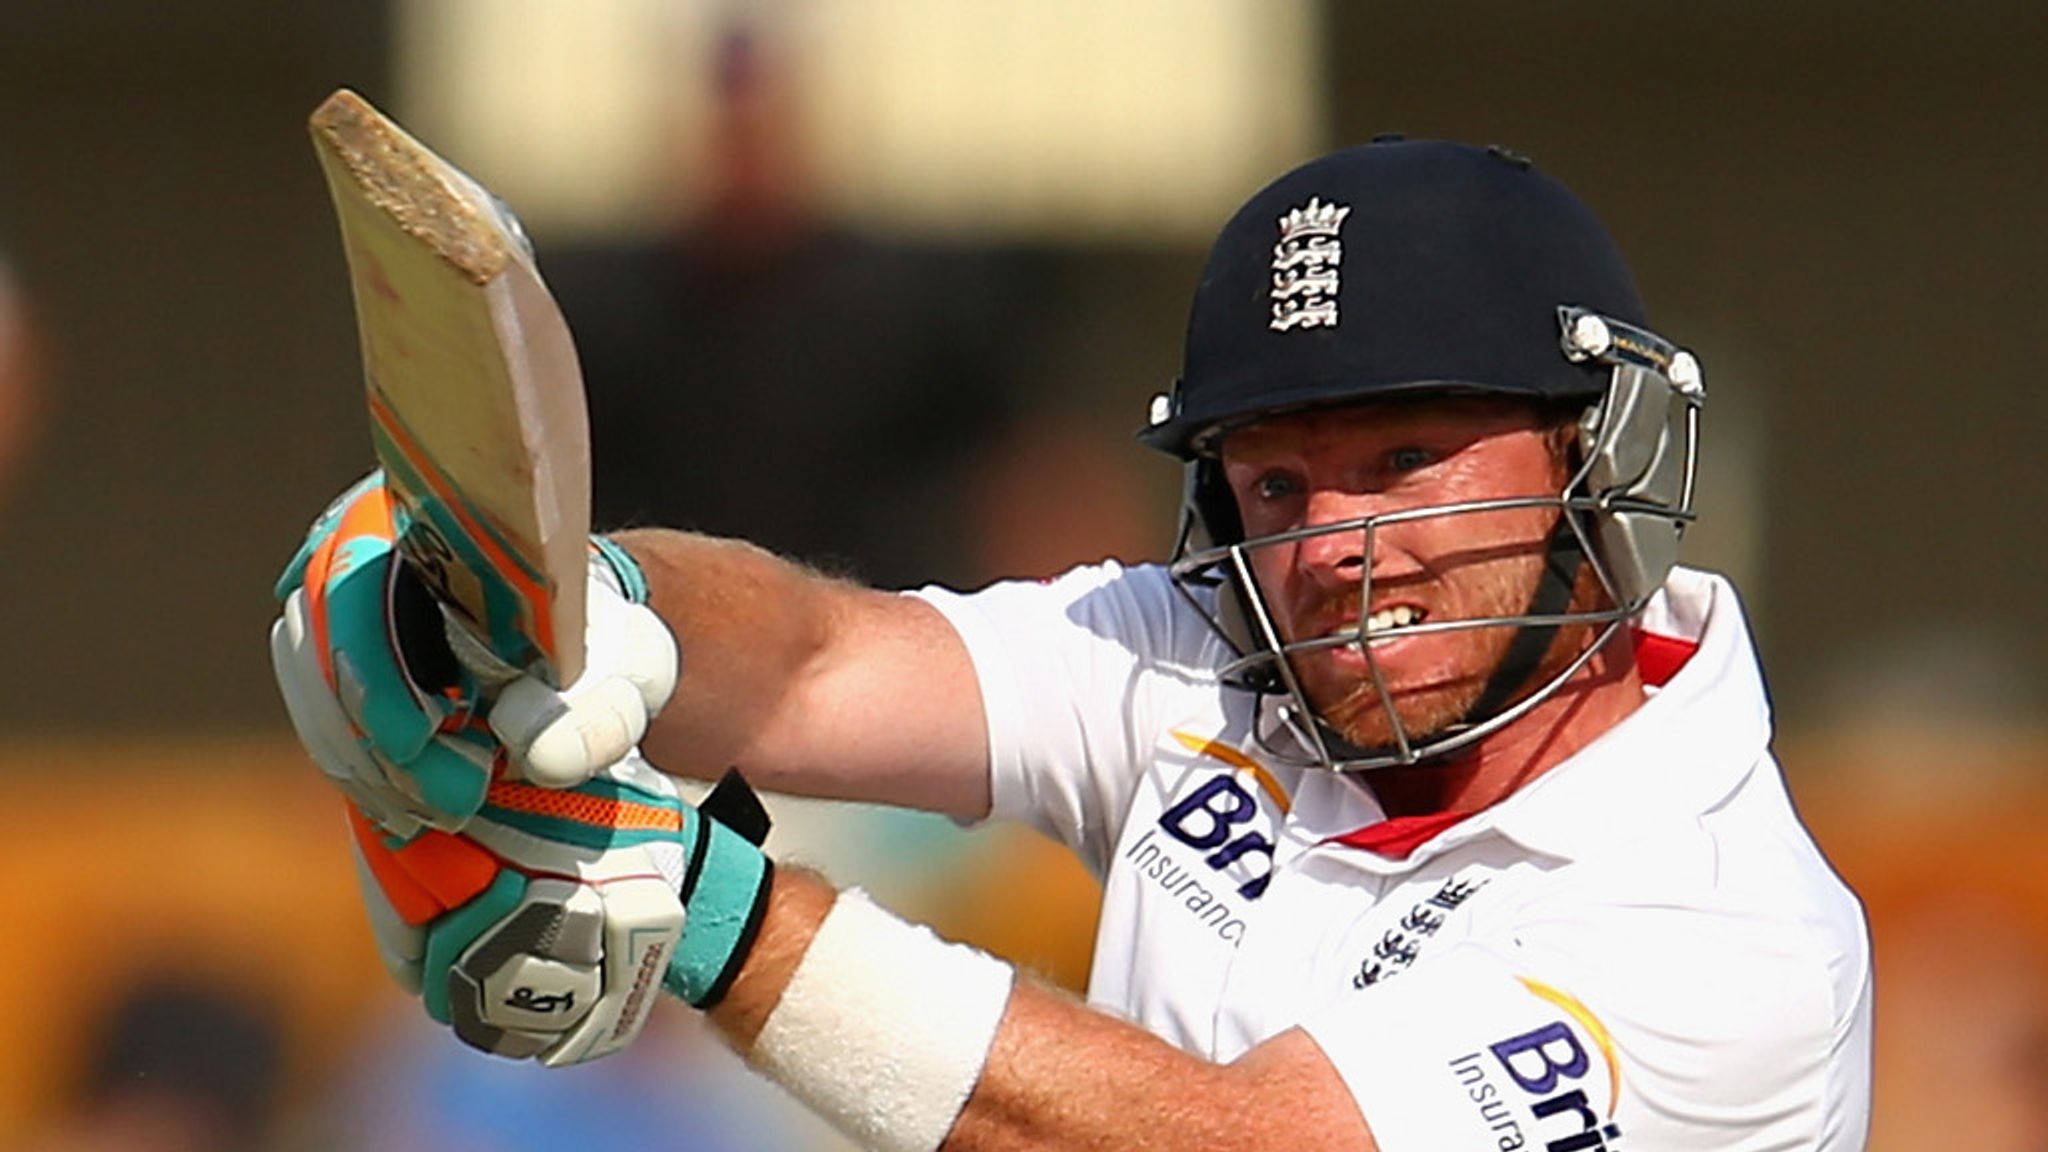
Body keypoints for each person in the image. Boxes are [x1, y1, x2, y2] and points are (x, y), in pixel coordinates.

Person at [272, 139, 1873, 1150]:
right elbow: (826, 656)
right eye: (1276, 480)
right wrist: (584, 607)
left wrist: (713, 914)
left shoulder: (1729, 938)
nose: (1341, 547)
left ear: (1588, 456)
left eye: (1410, 462)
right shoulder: (1220, 657)